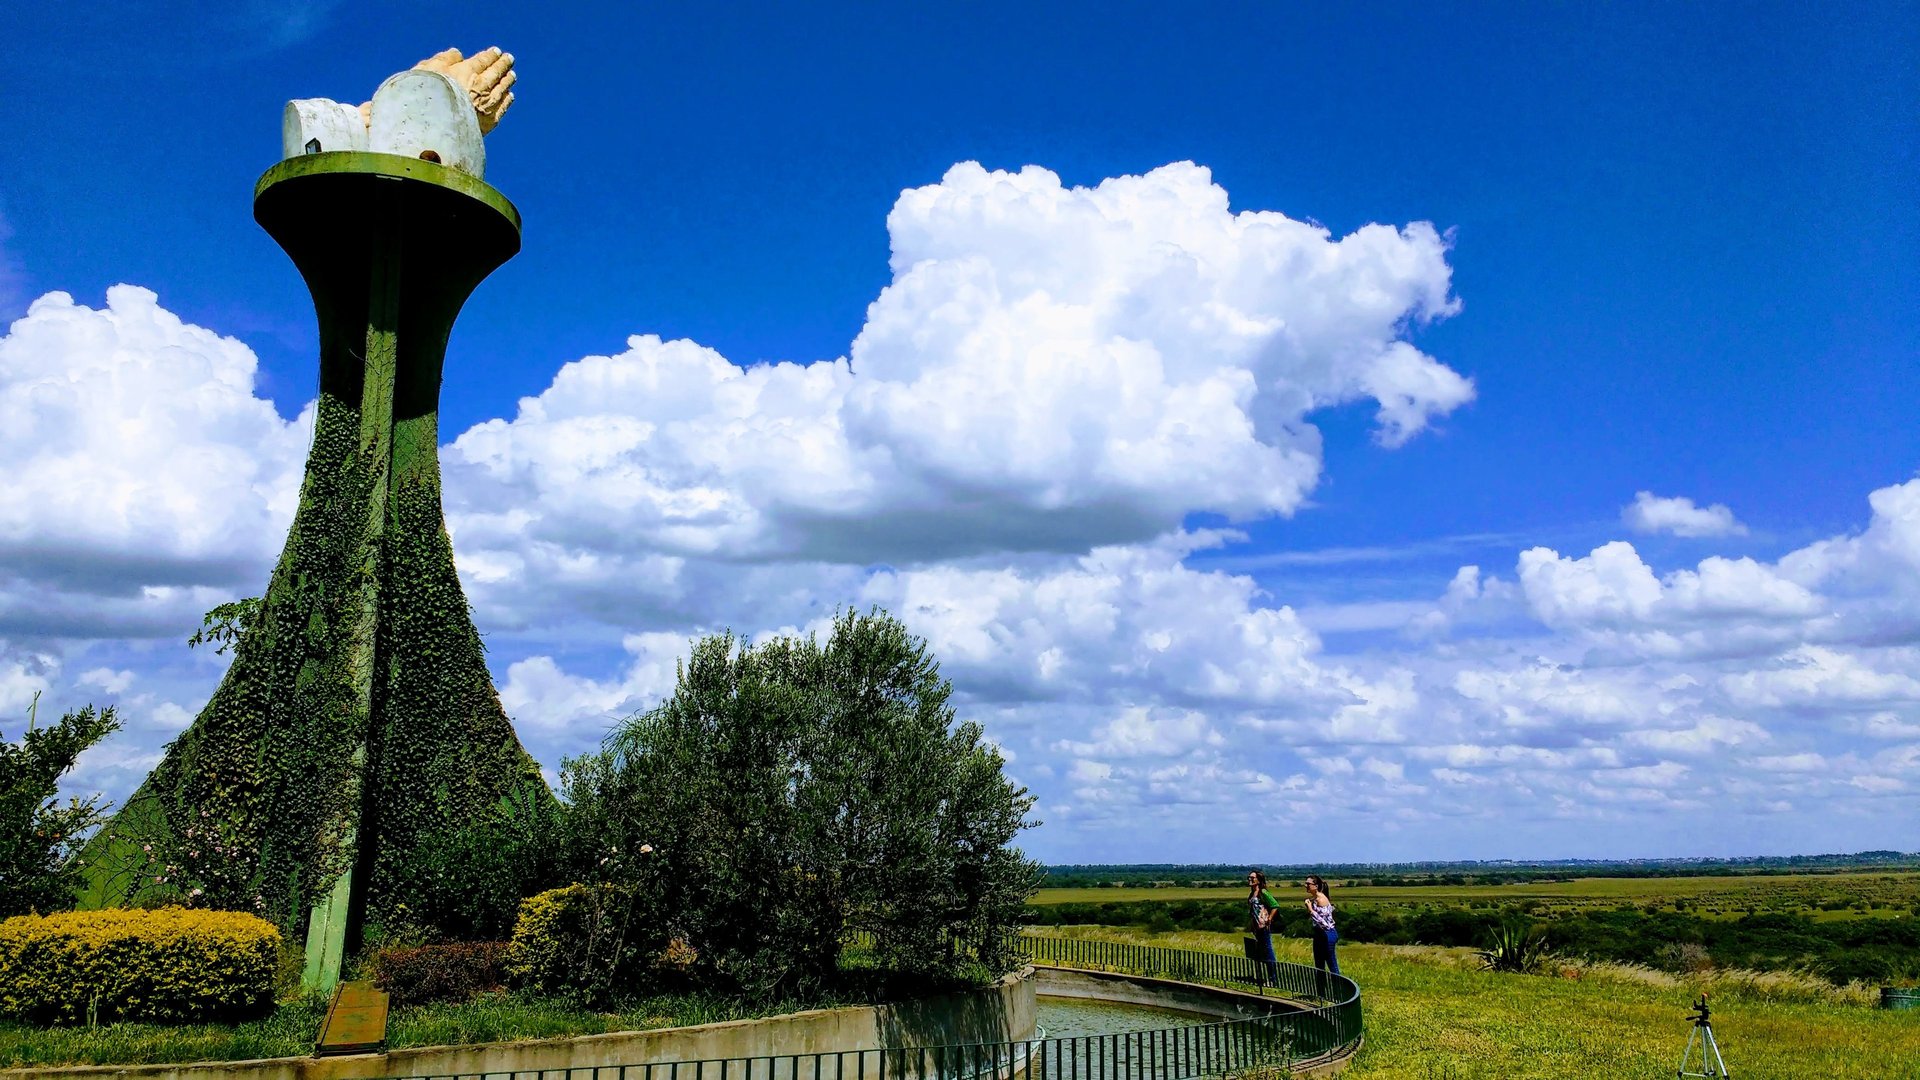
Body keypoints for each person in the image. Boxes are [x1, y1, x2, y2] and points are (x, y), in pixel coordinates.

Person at [1303, 874, 1340, 994]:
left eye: (1308, 884)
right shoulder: (1315, 900)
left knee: (1331, 964)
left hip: (1327, 934)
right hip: (1319, 934)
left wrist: (1310, 909)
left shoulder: (1321, 899)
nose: (1306, 886)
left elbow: (1324, 923)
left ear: (1316, 886)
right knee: (1319, 965)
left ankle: (1338, 992)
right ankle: (1321, 994)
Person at [1246, 869, 1282, 984]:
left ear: (1258, 880)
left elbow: (1275, 905)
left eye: (1252, 878)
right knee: (1261, 950)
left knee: (1268, 950)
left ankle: (1273, 979)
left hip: (1264, 925)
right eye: (1249, 878)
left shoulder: (1263, 892)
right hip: (1256, 926)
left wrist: (1269, 919)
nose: (1250, 880)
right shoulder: (1252, 893)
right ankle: (1263, 976)